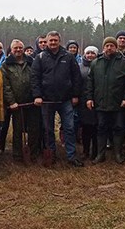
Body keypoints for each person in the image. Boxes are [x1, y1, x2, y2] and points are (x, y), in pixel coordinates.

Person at [30, 31, 84, 167]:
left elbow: (76, 76)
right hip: (47, 101)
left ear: (59, 41)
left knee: (69, 128)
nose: (53, 43)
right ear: (46, 42)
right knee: (48, 130)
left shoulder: (68, 56)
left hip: (65, 100)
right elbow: (34, 78)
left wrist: (75, 95)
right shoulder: (40, 57)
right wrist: (37, 95)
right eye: (50, 40)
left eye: (55, 40)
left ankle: (71, 156)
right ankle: (51, 155)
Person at [86, 37, 125, 164]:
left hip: (118, 103)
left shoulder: (124, 62)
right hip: (100, 102)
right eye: (106, 45)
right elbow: (90, 82)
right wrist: (89, 98)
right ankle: (101, 155)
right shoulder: (96, 63)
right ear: (103, 47)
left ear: (116, 47)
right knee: (101, 128)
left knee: (118, 127)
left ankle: (118, 154)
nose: (109, 48)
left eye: (111, 46)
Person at [1, 40, 41, 162]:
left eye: (20, 48)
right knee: (17, 130)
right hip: (17, 104)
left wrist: (37, 96)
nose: (18, 50)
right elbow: (6, 85)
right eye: (15, 48)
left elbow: (36, 79)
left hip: (32, 102)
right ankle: (17, 155)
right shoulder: (6, 65)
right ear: (11, 50)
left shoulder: (31, 62)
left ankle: (34, 154)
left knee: (34, 129)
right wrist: (11, 101)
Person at [79, 46, 99, 160]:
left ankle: (95, 152)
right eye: (88, 53)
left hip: (97, 101)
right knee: (85, 128)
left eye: (93, 53)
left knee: (96, 128)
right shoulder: (80, 67)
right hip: (83, 101)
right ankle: (85, 150)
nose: (90, 55)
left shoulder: (99, 66)